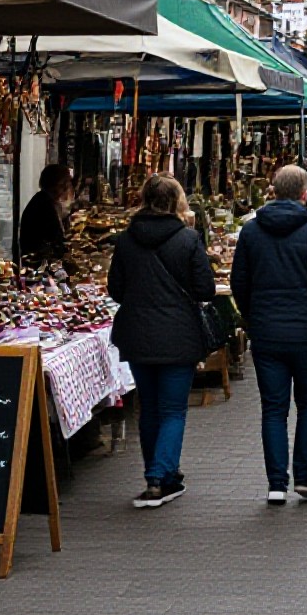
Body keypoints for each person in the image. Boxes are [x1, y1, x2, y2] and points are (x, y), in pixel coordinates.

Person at [231, 165, 307, 505]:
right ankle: (303, 476)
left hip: (268, 333)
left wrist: (253, 317)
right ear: (305, 194)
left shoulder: (252, 232)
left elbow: (238, 283)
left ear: (273, 191)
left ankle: (275, 483)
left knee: (273, 409)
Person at [108, 174, 216, 508]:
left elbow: (115, 289)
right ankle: (158, 477)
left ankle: (162, 475)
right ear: (176, 201)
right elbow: (205, 289)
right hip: (178, 335)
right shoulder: (187, 239)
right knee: (172, 410)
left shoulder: (126, 240)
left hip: (138, 333)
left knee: (150, 408)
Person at [19, 164, 73, 262]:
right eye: (64, 184)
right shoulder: (44, 204)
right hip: (38, 264)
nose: (67, 188)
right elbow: (55, 239)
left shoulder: (44, 199)